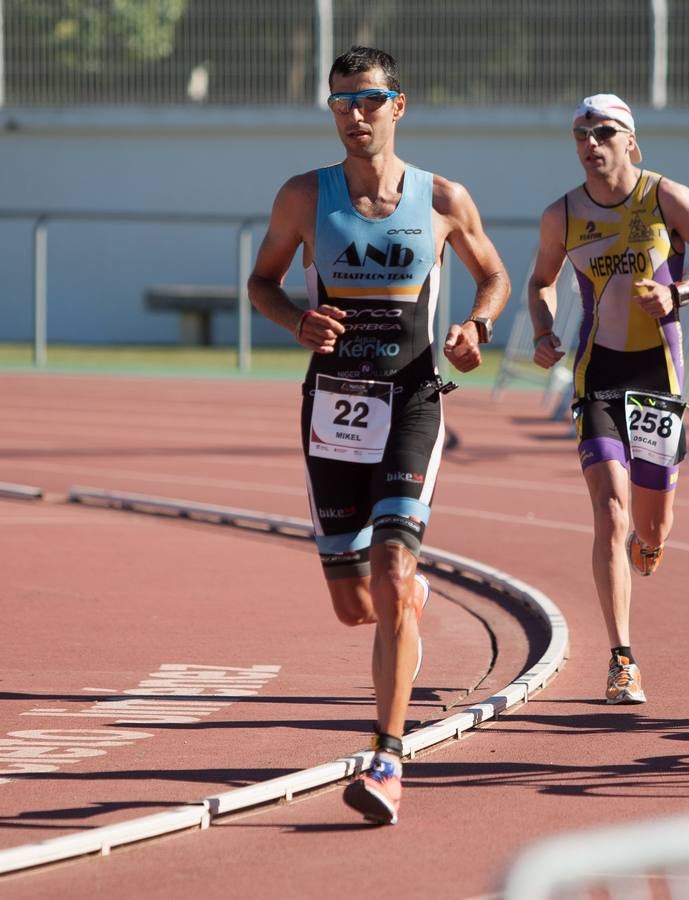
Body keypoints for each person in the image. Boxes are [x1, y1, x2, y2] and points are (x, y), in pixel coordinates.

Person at [248, 46, 509, 825]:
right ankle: (406, 597)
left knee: (393, 569)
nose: (353, 116)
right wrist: (297, 318)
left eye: (367, 101)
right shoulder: (303, 196)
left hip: (413, 400)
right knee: (353, 604)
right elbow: (261, 281)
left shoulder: (441, 198)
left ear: (400, 104)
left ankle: (387, 757)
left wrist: (476, 325)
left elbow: (492, 273)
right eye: (340, 103)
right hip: (333, 406)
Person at [527, 94, 689, 704]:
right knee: (610, 513)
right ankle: (622, 658)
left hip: (658, 380)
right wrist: (544, 332)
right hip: (598, 376)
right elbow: (541, 281)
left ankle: (653, 541)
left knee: (650, 525)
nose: (591, 144)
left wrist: (682, 294)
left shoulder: (666, 197)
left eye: (603, 132)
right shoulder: (561, 215)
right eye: (580, 134)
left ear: (630, 141)